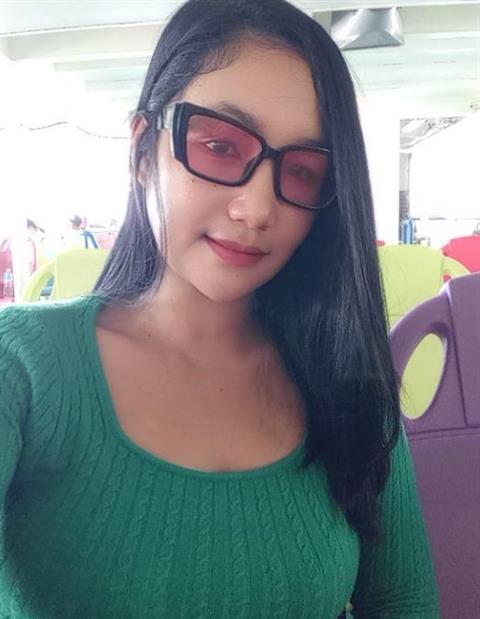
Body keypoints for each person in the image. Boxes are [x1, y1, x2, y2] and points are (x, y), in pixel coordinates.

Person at [0, 0, 439, 616]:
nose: (256, 210)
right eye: (219, 146)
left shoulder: (349, 382)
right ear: (142, 151)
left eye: (304, 172)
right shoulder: (22, 367)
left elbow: (403, 600)